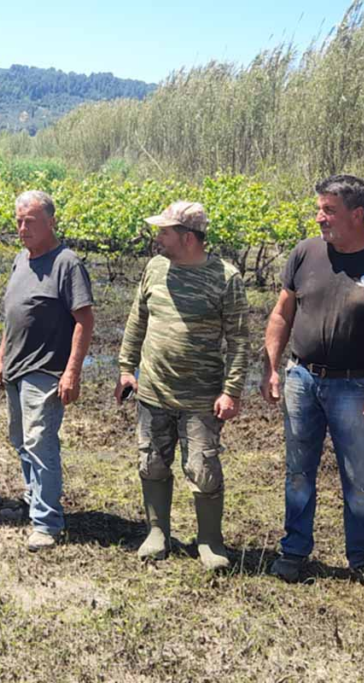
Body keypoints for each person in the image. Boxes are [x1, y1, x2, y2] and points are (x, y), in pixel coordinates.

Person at [261, 175, 364, 597]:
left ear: (357, 214)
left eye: (329, 210)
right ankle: (294, 550)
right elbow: (281, 314)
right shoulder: (305, 253)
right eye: (319, 209)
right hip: (302, 379)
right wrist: (271, 367)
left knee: (359, 478)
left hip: (356, 387)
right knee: (298, 472)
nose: (320, 217)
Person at [116, 201, 249, 571]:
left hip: (201, 398)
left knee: (203, 469)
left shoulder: (226, 278)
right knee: (151, 462)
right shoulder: (155, 268)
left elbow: (239, 340)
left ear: (188, 237)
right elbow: (137, 320)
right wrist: (126, 369)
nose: (158, 238)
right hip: (153, 391)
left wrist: (232, 390)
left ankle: (210, 541)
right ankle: (157, 532)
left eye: (164, 231)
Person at [0, 191, 95, 552]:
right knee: (21, 440)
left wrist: (72, 372)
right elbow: (13, 315)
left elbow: (84, 321)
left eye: (30, 222)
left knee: (40, 442)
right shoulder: (21, 260)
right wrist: (1, 358)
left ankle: (47, 522)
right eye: (19, 221)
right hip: (16, 367)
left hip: (46, 370)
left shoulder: (67, 264)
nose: (22, 229)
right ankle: (32, 500)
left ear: (51, 222)